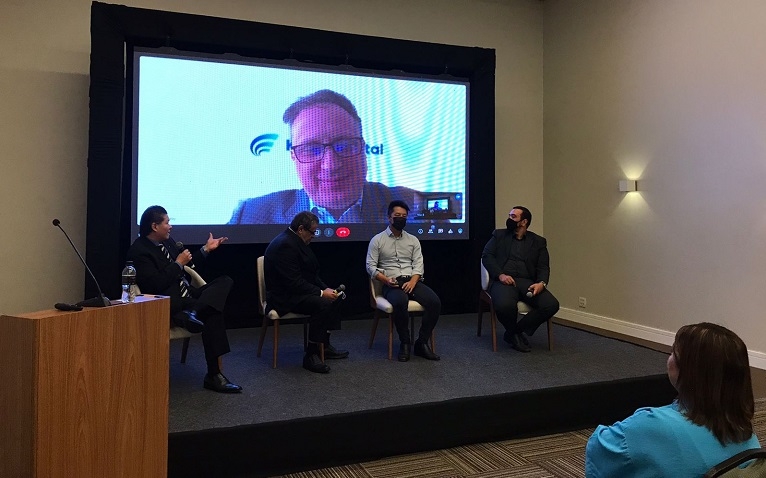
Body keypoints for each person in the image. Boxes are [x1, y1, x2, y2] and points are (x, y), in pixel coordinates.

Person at [585, 322, 760, 477]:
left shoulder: (651, 424)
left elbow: (599, 450)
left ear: (690, 370)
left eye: (673, 352)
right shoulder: (744, 430)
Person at [229, 89, 418, 224]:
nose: (331, 164)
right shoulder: (251, 215)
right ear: (293, 156)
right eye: (311, 149)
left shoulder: (414, 205)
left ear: (363, 148)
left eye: (345, 146)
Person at [127, 205, 242, 393]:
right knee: (212, 311)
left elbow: (189, 266)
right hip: (167, 300)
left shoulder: (168, 242)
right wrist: (178, 263)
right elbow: (154, 285)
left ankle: (193, 312)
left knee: (225, 281)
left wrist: (206, 249)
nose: (170, 226)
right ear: (155, 226)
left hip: (188, 296)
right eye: (167, 222)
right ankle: (214, 375)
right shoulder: (139, 251)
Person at [263, 211, 349, 373]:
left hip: (297, 292)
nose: (314, 236)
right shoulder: (285, 245)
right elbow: (293, 283)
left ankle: (324, 344)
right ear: (301, 229)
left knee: (336, 297)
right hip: (284, 297)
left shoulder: (296, 240)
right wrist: (321, 293)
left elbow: (311, 275)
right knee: (322, 304)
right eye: (313, 232)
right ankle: (311, 354)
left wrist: (327, 289)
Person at [366, 200, 441, 362]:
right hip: (391, 283)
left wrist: (413, 281)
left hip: (411, 281)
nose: (401, 218)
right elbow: (370, 266)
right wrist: (386, 280)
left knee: (434, 302)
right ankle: (405, 342)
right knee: (400, 301)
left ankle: (421, 343)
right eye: (397, 215)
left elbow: (418, 265)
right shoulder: (377, 240)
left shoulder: (413, 240)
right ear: (389, 217)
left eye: (404, 216)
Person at [481, 206, 560, 352]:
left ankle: (513, 332)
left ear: (524, 222)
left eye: (513, 217)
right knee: (504, 305)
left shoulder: (538, 241)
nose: (509, 219)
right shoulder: (499, 235)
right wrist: (500, 275)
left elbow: (543, 266)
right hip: (504, 281)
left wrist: (541, 283)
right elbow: (487, 256)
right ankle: (515, 336)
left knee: (551, 305)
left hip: (527, 282)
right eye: (509, 215)